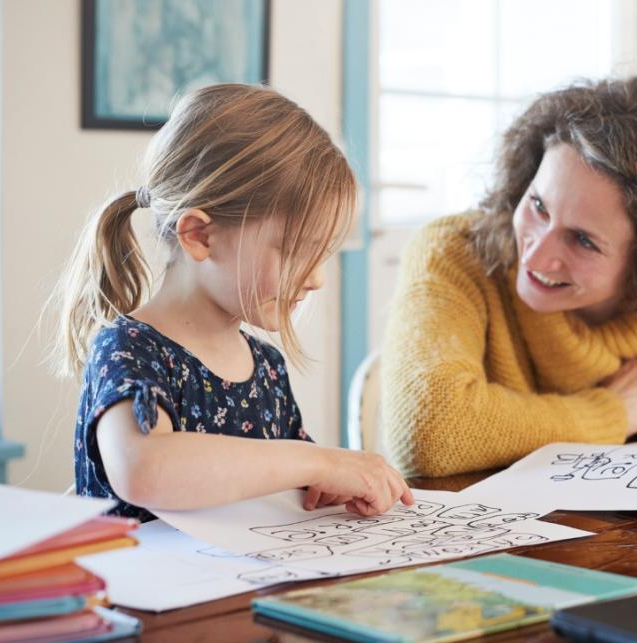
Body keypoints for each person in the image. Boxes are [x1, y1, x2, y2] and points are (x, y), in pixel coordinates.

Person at [381, 77, 637, 477]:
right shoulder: (454, 251)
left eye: (582, 240)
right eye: (538, 205)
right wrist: (613, 412)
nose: (535, 253)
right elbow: (425, 433)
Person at [53, 84, 413, 521]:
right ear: (199, 236)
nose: (316, 279)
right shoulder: (128, 348)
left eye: (322, 257)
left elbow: (291, 486)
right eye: (295, 251)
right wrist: (320, 462)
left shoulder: (266, 366)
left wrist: (332, 484)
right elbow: (145, 470)